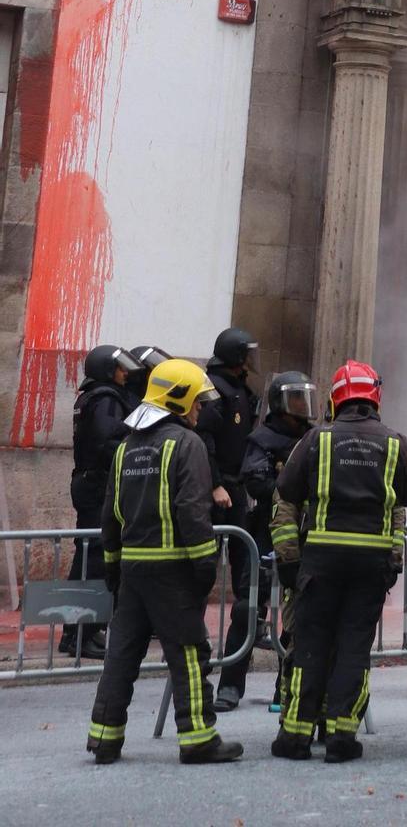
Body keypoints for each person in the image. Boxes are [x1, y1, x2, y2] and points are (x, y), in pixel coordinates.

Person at [86, 357, 242, 766]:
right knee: (189, 652)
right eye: (196, 402)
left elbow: (110, 515)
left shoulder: (126, 448)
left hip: (133, 569)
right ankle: (198, 738)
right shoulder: (185, 445)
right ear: (179, 397)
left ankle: (103, 739)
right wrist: (204, 565)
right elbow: (192, 510)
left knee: (121, 654)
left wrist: (114, 567)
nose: (199, 410)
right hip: (173, 569)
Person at [272, 360, 407, 764]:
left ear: (337, 398)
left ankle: (296, 737)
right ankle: (341, 736)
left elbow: (286, 489)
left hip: (321, 559)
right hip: (370, 563)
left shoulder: (316, 439)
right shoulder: (395, 443)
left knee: (311, 645)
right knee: (354, 648)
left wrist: (290, 557)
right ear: (375, 397)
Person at [239, 371, 318, 713]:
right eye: (297, 397)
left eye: (306, 397)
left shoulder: (315, 437)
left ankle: (280, 690)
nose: (304, 404)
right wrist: (287, 488)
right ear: (281, 403)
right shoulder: (262, 438)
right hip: (263, 532)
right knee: (247, 606)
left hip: (301, 537)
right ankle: (230, 685)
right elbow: (254, 478)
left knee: (294, 617)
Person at [196, 327, 261, 713]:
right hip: (219, 495)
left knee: (246, 584)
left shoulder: (241, 391)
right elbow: (204, 442)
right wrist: (215, 485)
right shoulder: (215, 391)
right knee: (200, 575)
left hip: (238, 494)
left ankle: (233, 677)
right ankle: (199, 668)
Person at [64, 345, 138, 658]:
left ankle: (75, 632)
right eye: (120, 368)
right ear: (107, 371)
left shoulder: (92, 396)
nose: (126, 373)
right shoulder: (106, 398)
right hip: (97, 485)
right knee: (95, 558)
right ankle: (84, 631)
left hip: (87, 481)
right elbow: (111, 441)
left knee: (88, 555)